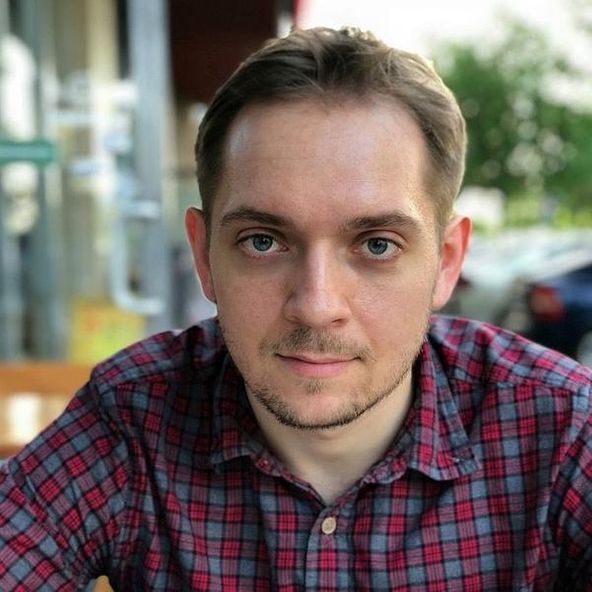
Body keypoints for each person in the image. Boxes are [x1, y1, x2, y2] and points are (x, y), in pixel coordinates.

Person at [1, 27, 591, 592]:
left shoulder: (563, 429)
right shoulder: (133, 419)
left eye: (377, 245)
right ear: (204, 256)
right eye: (263, 241)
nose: (315, 306)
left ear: (446, 262)